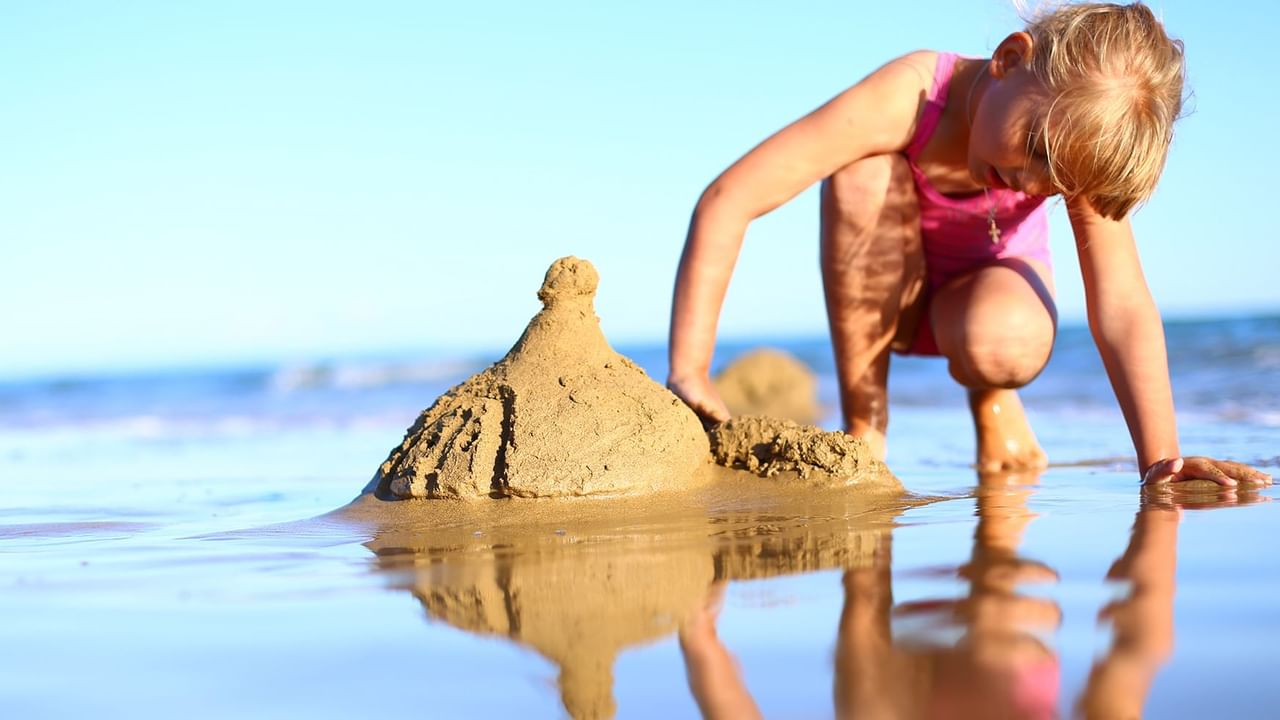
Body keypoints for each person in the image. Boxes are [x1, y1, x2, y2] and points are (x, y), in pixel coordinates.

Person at [666, 1, 1272, 487]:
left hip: (976, 307)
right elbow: (731, 197)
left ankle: (993, 400)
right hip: (885, 299)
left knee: (1004, 337)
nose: (1034, 182)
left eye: (1056, 182)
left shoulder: (1071, 143)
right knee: (860, 171)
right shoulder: (910, 95)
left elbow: (1121, 302)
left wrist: (1160, 461)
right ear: (1010, 58)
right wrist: (689, 370)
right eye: (1035, 149)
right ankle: (866, 427)